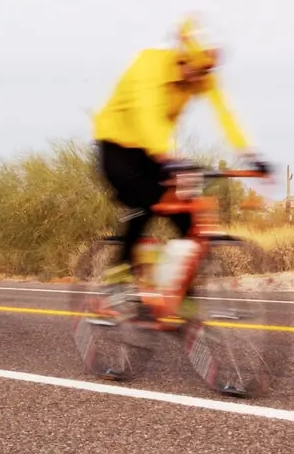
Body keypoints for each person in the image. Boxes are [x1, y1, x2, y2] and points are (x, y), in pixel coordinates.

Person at [91, 16, 269, 303]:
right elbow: (148, 118)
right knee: (146, 200)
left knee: (188, 219)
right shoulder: (148, 66)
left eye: (206, 71)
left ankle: (181, 300)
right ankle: (118, 277)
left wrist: (251, 155)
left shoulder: (202, 74)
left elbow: (225, 113)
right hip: (117, 148)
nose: (200, 79)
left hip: (154, 150)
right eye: (197, 70)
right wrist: (171, 158)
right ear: (182, 59)